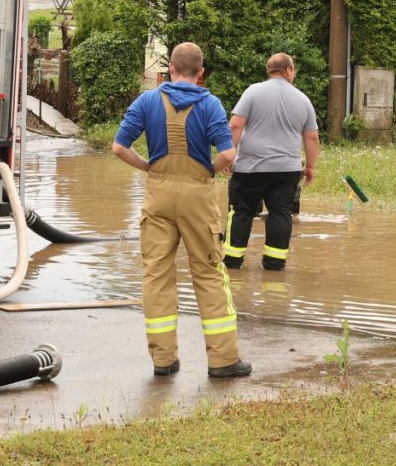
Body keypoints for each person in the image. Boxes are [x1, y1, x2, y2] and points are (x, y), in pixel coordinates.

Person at [112, 42, 251, 379]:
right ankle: (223, 360)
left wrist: (148, 168)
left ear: (170, 69)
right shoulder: (210, 103)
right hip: (197, 197)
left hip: (158, 195)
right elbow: (229, 155)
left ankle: (163, 360)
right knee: (208, 274)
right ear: (200, 73)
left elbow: (119, 147)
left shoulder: (147, 100)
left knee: (156, 274)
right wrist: (209, 171)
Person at [223, 53, 319, 271]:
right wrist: (310, 167)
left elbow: (235, 125)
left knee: (241, 212)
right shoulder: (302, 99)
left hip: (249, 169)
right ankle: (275, 264)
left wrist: (229, 154)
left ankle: (232, 261)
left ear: (269, 71)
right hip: (286, 171)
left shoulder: (253, 92)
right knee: (280, 214)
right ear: (288, 71)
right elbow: (312, 137)